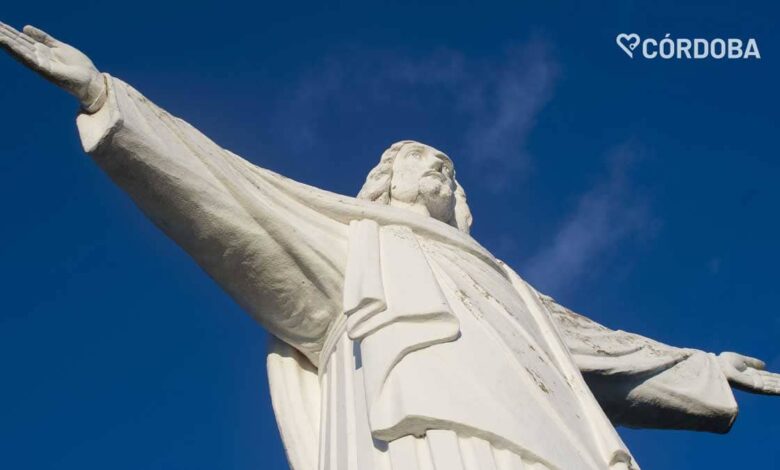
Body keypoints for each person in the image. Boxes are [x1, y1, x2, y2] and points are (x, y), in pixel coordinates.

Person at [2, 22, 778, 470]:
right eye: (420, 160)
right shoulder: (353, 244)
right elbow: (228, 196)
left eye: (447, 167)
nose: (439, 167)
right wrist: (107, 98)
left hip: (551, 439)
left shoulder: (506, 284)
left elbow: (599, 351)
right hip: (429, 432)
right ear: (386, 182)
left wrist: (704, 369)